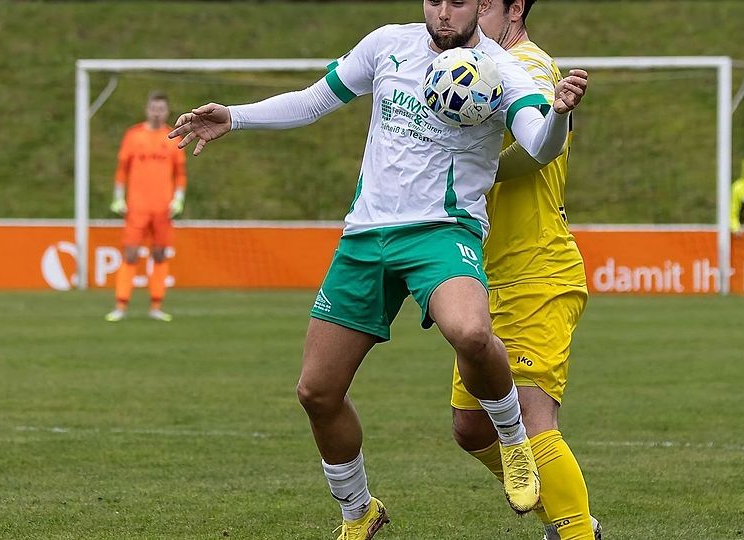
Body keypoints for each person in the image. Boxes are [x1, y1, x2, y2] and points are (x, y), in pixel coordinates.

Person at [169, 1, 588, 537]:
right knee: (316, 391)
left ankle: (514, 443)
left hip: (442, 229)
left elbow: (537, 142)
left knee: (471, 331)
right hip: (365, 237)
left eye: (457, 1)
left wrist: (558, 114)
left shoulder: (502, 70)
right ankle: (358, 510)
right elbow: (312, 102)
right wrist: (236, 115)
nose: (443, 12)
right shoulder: (388, 43)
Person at [448, 1, 600, 539]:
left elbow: (535, 151)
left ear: (515, 10)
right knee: (470, 426)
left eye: (485, 3)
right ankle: (565, 515)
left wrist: (468, 166)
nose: (471, 11)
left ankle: (577, 530)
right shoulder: (470, 68)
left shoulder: (530, 68)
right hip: (485, 274)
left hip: (538, 268)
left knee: (533, 418)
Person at [106, 91, 187, 323]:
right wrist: (118, 197)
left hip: (163, 207)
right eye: (154, 108)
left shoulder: (173, 136)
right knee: (130, 253)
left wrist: (178, 198)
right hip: (137, 207)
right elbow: (122, 169)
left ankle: (156, 305)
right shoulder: (133, 135)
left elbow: (180, 174)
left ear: (167, 111)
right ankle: (121, 305)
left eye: (161, 109)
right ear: (147, 109)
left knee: (160, 254)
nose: (157, 112)